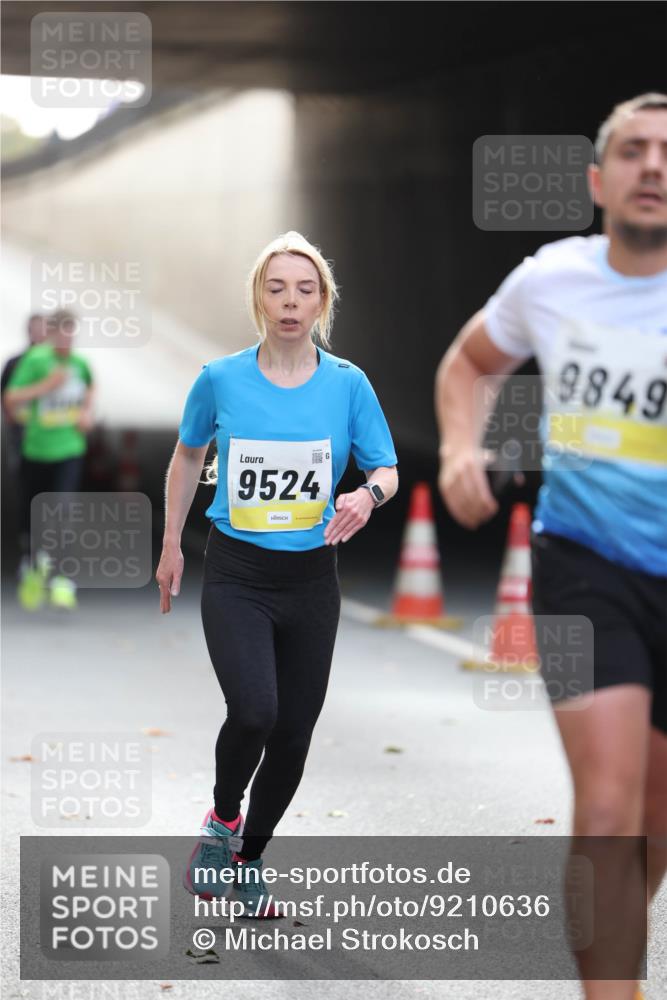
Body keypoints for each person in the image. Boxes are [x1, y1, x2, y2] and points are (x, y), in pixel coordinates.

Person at [435, 93, 667, 1000]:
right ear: (597, 181)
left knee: (652, 821)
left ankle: (609, 954)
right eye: (634, 150)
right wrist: (460, 448)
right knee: (607, 809)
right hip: (581, 564)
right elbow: (468, 363)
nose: (653, 166)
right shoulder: (550, 279)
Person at [157, 231, 398, 917]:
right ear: (259, 300)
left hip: (311, 582)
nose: (290, 301)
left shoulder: (347, 384)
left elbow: (385, 467)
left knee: (293, 734)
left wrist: (366, 496)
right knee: (255, 711)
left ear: (322, 302)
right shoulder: (220, 378)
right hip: (238, 573)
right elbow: (187, 454)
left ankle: (249, 861)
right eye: (276, 288)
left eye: (304, 289)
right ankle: (221, 821)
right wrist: (171, 543)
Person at [3, 308, 95, 610]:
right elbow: (11, 398)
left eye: (72, 332)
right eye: (62, 332)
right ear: (52, 333)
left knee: (63, 510)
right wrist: (47, 386)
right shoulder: (35, 360)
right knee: (35, 512)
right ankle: (35, 562)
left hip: (69, 448)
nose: (67, 338)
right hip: (36, 449)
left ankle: (63, 577)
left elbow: (90, 387)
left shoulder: (79, 364)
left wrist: (86, 413)